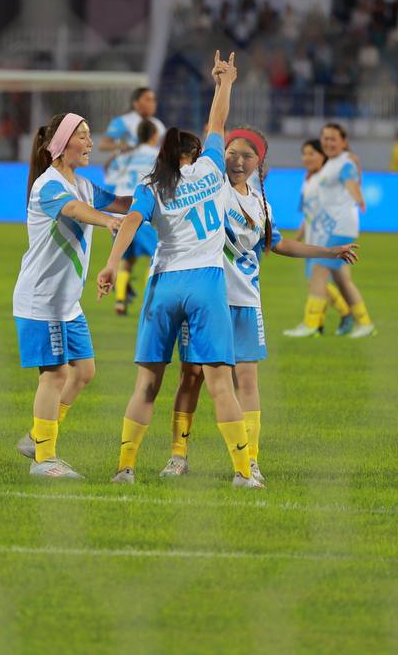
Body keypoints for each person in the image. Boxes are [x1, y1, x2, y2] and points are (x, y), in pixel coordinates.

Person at [97, 51, 260, 488]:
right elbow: (217, 122)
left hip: (163, 284)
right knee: (220, 384)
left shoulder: (152, 184)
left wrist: (111, 264)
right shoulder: (210, 168)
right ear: (195, 152)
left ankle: (125, 468)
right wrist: (225, 82)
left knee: (146, 385)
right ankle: (243, 473)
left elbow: (131, 221)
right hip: (206, 282)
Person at [158, 127, 358, 482]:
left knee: (247, 381)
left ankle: (250, 460)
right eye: (231, 153)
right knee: (191, 376)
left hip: (246, 302)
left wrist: (328, 251)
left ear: (259, 163)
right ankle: (178, 456)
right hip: (206, 298)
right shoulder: (210, 187)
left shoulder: (260, 204)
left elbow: (277, 244)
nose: (238, 161)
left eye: (247, 156)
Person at [12, 113, 129, 478]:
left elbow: (121, 202)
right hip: (42, 300)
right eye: (83, 136)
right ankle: (44, 459)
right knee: (55, 374)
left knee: (84, 371)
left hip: (66, 303)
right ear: (62, 145)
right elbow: (75, 210)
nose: (90, 143)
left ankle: (37, 437)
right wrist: (106, 221)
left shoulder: (84, 186)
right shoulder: (48, 185)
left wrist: (159, 194)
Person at [284, 123, 375, 339]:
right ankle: (364, 323)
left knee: (317, 272)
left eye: (333, 138)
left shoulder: (343, 162)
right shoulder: (329, 166)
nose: (328, 142)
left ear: (343, 141)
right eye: (325, 138)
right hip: (330, 230)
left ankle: (312, 324)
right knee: (342, 280)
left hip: (339, 227)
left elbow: (350, 180)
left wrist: (359, 197)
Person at [112, 120, 160, 317]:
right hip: (141, 213)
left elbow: (112, 176)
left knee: (126, 259)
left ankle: (120, 301)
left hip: (118, 216)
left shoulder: (124, 156)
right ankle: (150, 302)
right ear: (154, 135)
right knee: (156, 257)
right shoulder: (157, 155)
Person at [99, 87, 166, 193]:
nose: (153, 103)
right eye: (148, 100)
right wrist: (124, 148)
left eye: (154, 100)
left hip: (149, 168)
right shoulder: (124, 121)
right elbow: (103, 145)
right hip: (126, 167)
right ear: (136, 103)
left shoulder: (158, 124)